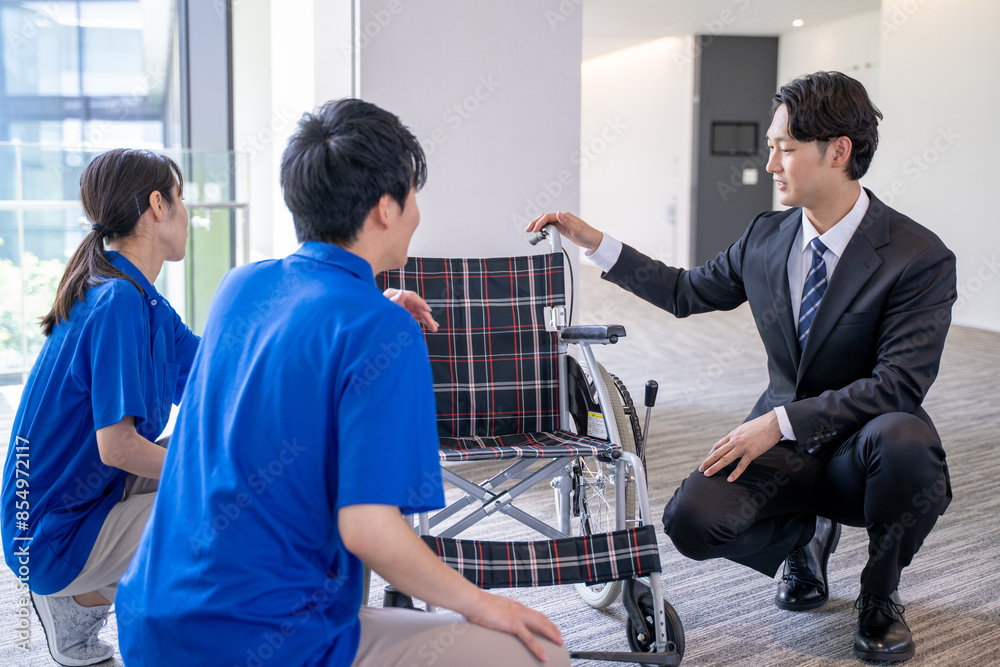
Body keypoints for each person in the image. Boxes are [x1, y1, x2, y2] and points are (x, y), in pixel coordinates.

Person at [115, 98, 569, 667]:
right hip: (256, 643)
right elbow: (369, 531)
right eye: (413, 195)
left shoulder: (240, 286)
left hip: (151, 624)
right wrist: (484, 604)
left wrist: (370, 309)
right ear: (385, 209)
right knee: (541, 651)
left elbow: (298, 339)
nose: (417, 212)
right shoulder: (381, 331)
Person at [526, 71, 955, 663]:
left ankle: (880, 595)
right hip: (786, 451)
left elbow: (898, 384)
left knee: (909, 445)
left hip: (866, 445)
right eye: (771, 147)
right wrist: (592, 240)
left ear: (838, 152)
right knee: (691, 521)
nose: (771, 163)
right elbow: (684, 291)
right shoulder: (766, 236)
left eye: (785, 148)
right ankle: (804, 541)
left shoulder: (917, 256)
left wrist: (779, 422)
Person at [1, 148, 199, 666]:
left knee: (216, 451)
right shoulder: (116, 302)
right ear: (158, 205)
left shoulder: (142, 300)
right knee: (218, 504)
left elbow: (222, 376)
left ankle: (80, 600)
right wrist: (212, 472)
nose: (188, 214)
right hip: (49, 533)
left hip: (83, 502)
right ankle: (99, 605)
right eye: (181, 199)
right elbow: (119, 448)